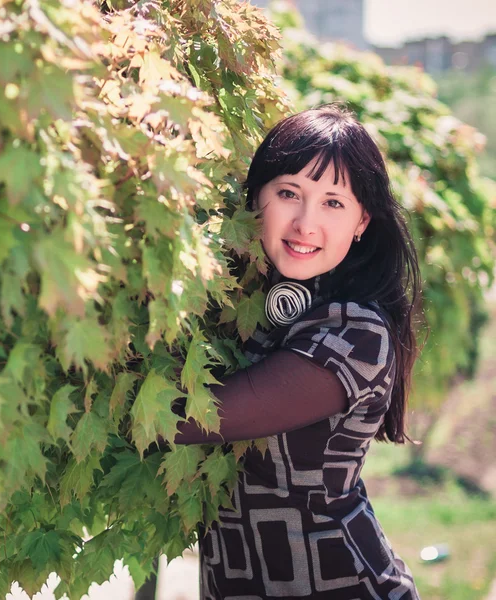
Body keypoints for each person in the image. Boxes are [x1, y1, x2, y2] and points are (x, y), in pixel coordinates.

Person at [174, 105, 422, 599]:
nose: (306, 223)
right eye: (289, 193)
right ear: (257, 198)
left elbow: (194, 418)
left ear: (361, 221)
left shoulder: (358, 334)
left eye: (333, 203)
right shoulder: (244, 301)